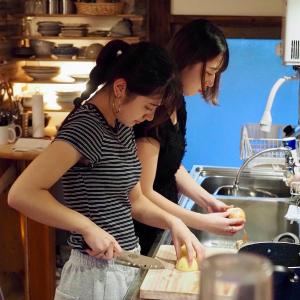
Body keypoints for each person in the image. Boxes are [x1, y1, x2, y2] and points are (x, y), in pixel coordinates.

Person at [8, 40, 204, 300]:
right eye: (148, 107)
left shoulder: (120, 124)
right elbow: (22, 193)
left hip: (123, 264)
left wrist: (173, 221)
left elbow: (135, 202)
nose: (149, 117)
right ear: (121, 88)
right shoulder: (86, 127)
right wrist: (87, 227)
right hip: (91, 279)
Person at [133, 19, 245, 255]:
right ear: (187, 59)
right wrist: (203, 222)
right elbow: (144, 192)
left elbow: (170, 166)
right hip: (143, 228)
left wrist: (208, 202)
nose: (211, 81)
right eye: (211, 71)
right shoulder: (153, 110)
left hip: (164, 223)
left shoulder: (178, 103)